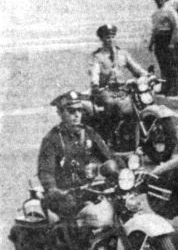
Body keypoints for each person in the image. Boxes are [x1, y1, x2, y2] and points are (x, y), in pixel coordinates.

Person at [37, 91, 119, 219]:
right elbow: (46, 172)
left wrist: (126, 171)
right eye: (71, 111)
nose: (77, 115)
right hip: (65, 196)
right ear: (60, 113)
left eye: (80, 111)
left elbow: (109, 156)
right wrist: (54, 191)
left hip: (89, 190)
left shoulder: (88, 132)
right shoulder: (52, 139)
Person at [90, 24, 148, 128]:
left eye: (112, 36)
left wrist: (146, 75)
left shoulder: (122, 54)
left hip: (123, 89)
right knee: (113, 104)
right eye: (107, 37)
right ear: (102, 39)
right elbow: (95, 71)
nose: (110, 39)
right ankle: (111, 133)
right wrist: (95, 84)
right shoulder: (98, 56)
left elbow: (135, 68)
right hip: (106, 91)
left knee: (140, 102)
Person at [149, 0, 178, 96]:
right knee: (162, 65)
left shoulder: (170, 11)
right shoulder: (155, 13)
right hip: (159, 40)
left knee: (171, 65)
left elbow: (176, 27)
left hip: (167, 38)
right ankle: (165, 87)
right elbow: (155, 29)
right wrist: (151, 42)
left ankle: (174, 88)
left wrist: (172, 43)